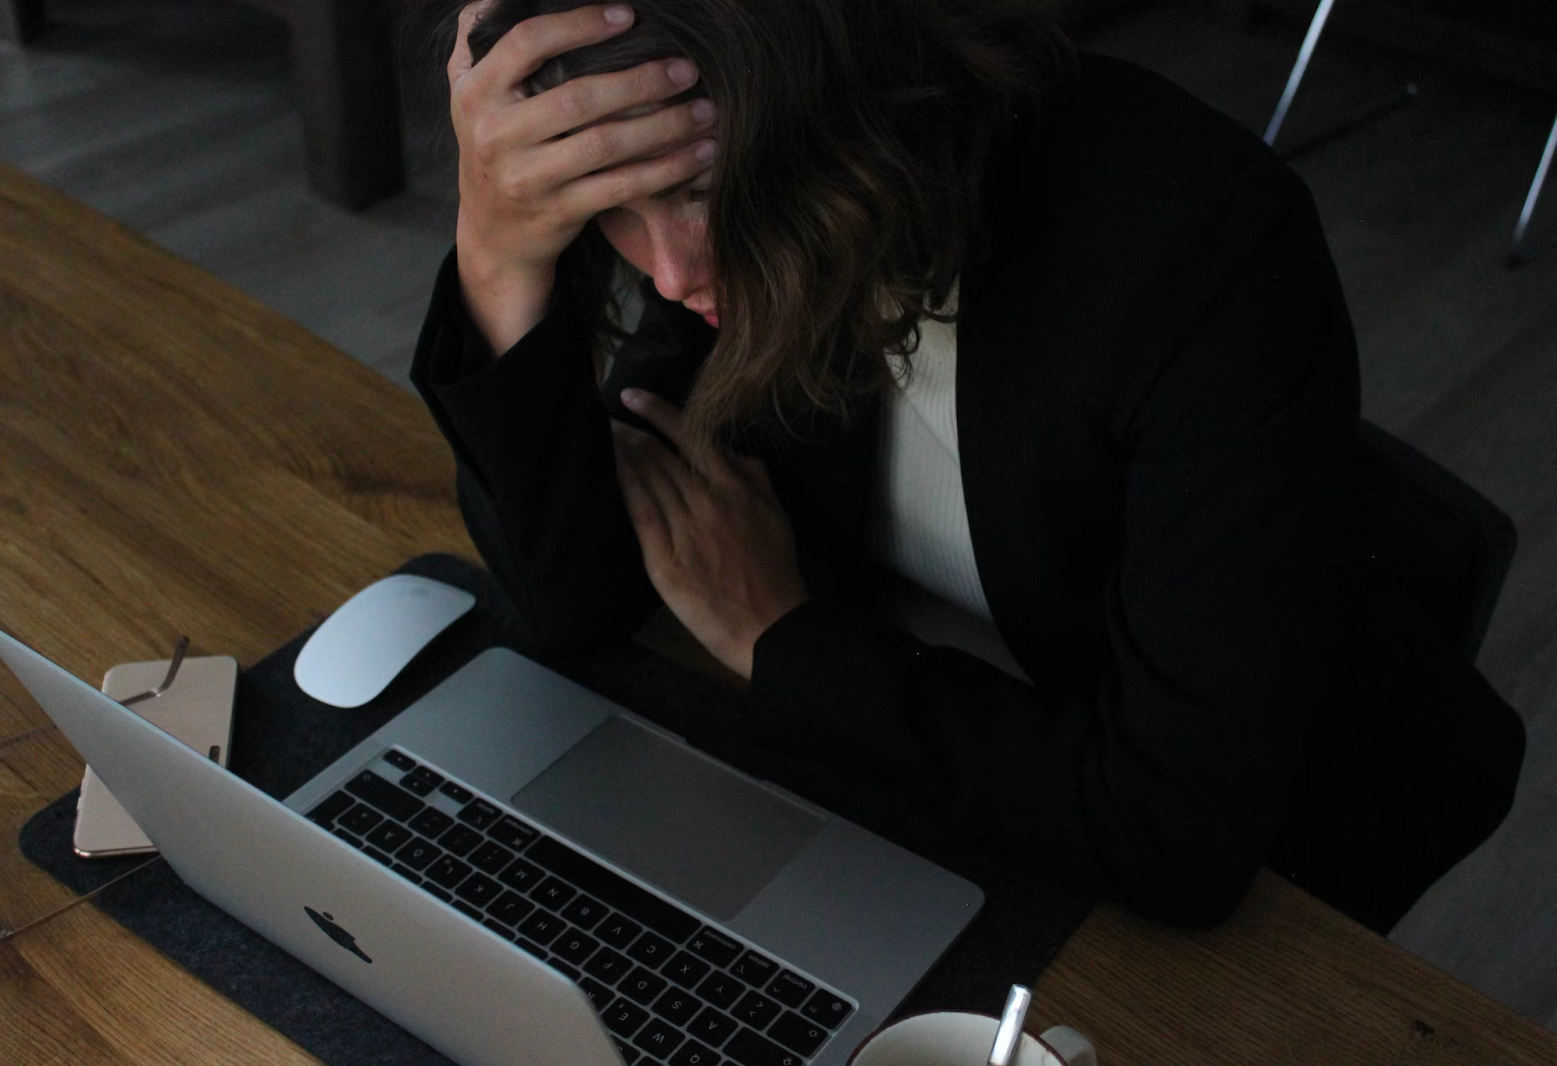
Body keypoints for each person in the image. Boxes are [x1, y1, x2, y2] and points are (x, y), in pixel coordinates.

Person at [411, 0, 1526, 933]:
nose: (666, 274)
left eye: (699, 197)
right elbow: (575, 597)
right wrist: (498, 249)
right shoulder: (727, 204)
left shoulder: (1193, 246)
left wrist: (779, 637)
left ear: (833, 101)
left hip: (1241, 875)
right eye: (610, 214)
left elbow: (1174, 839)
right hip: (928, 788)